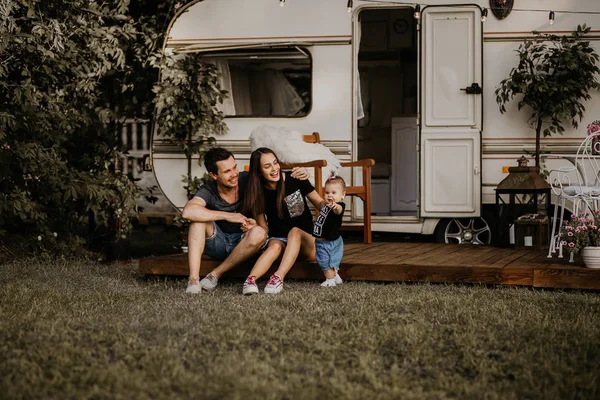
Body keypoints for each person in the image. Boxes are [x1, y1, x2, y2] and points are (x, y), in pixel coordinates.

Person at [182, 147, 266, 294]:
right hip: (218, 244)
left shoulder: (247, 180)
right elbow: (188, 212)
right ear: (214, 175)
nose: (234, 174)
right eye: (227, 171)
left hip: (244, 243)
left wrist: (254, 224)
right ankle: (193, 279)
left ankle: (214, 275)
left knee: (259, 232)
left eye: (234, 168)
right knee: (197, 221)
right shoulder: (209, 190)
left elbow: (274, 178)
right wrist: (228, 215)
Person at [242, 147, 325, 295]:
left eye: (275, 163)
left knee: (295, 232)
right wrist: (255, 228)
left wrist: (332, 204)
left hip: (307, 242)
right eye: (267, 166)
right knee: (274, 245)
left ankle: (278, 277)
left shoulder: (295, 178)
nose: (274, 169)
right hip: (281, 240)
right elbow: (264, 227)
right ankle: (250, 281)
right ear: (259, 171)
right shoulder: (258, 193)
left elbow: (319, 203)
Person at [313, 176, 346, 287]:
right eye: (327, 192)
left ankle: (330, 280)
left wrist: (336, 207)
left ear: (342, 195)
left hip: (328, 241)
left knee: (324, 261)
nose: (330, 195)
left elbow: (339, 211)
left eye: (333, 192)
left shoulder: (339, 206)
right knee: (329, 260)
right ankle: (335, 276)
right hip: (322, 241)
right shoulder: (325, 205)